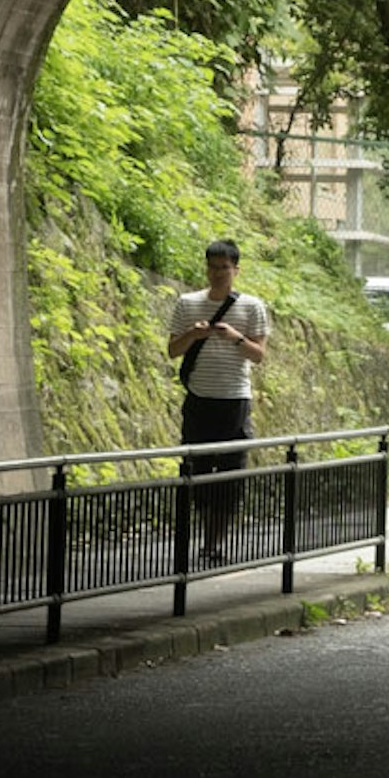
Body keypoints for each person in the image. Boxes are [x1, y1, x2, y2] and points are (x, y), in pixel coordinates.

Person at [167, 239, 274, 563]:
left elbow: (259, 355)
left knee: (231, 473)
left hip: (234, 401)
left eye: (224, 268)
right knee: (197, 471)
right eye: (213, 267)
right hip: (199, 400)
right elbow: (173, 350)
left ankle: (214, 542)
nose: (218, 273)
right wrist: (193, 335)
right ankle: (205, 534)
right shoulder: (188, 304)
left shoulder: (252, 307)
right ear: (206, 268)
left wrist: (235, 337)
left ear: (235, 270)